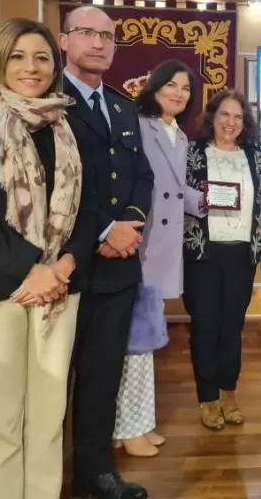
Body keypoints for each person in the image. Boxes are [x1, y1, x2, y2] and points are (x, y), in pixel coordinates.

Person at [0, 18, 93, 499]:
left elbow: (90, 210)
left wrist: (63, 266)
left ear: (55, 66)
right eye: (18, 56)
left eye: (42, 58)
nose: (31, 67)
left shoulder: (69, 129)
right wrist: (30, 267)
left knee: (48, 423)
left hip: (57, 292)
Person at [61, 6, 154, 499]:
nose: (98, 43)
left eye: (107, 36)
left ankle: (95, 473)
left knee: (101, 377)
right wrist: (103, 229)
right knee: (53, 381)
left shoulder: (121, 107)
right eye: (86, 33)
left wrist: (130, 224)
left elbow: (141, 175)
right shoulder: (46, 101)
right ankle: (42, 476)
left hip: (119, 270)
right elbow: (53, 182)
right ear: (64, 40)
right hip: (65, 268)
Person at [111, 60, 200, 457]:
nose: (179, 93)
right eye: (171, 85)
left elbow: (176, 190)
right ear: (154, 86)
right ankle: (127, 428)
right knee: (133, 341)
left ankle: (139, 424)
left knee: (143, 342)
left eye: (186, 88)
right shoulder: (136, 124)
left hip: (162, 248)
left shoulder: (178, 134)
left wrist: (208, 201)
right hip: (137, 244)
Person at [183, 89, 261, 430]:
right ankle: (207, 398)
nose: (230, 122)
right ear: (212, 117)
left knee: (232, 326)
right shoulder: (192, 153)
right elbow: (174, 195)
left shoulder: (256, 157)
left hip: (241, 254)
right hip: (202, 253)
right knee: (205, 326)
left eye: (238, 117)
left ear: (245, 123)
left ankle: (228, 392)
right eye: (224, 114)